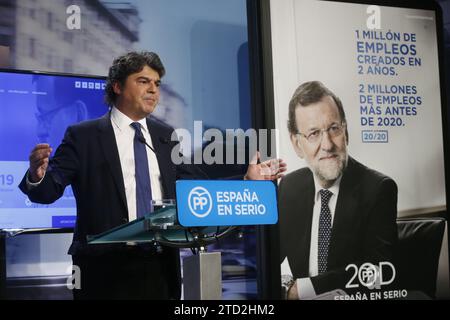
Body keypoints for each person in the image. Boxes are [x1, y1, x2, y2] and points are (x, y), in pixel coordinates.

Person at [19, 51, 285, 300]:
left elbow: (196, 188)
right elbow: (48, 191)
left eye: (157, 83)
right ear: (118, 87)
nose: (153, 90)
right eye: (143, 81)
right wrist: (36, 174)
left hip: (160, 266)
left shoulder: (165, 136)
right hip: (103, 268)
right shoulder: (83, 135)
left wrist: (247, 183)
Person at [278, 81, 398, 299]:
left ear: (346, 131)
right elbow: (267, 256)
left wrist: (303, 290)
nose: (327, 145)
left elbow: (379, 273)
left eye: (334, 129)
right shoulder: (288, 188)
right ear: (297, 144)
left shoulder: (378, 189)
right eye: (314, 133)